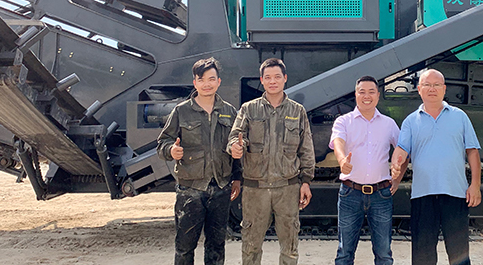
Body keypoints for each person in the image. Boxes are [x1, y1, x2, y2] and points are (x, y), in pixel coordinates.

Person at [228, 58, 316, 265]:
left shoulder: (297, 111)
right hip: (255, 190)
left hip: (287, 188)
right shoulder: (249, 109)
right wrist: (235, 147)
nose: (272, 81)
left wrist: (306, 181)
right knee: (251, 246)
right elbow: (235, 136)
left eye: (277, 77)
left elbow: (306, 148)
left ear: (285, 78)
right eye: (267, 77)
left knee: (290, 248)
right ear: (261, 80)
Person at [391, 69, 482, 265]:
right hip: (422, 194)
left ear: (444, 88)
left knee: (459, 253)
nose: (432, 89)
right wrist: (396, 167)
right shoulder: (410, 121)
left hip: (456, 193)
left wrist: (475, 185)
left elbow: (472, 151)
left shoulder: (459, 116)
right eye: (427, 85)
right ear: (419, 89)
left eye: (436, 85)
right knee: (422, 255)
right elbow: (402, 149)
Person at [157, 57, 241, 265]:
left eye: (211, 79)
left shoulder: (229, 112)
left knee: (216, 246)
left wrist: (238, 178)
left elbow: (236, 147)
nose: (206, 84)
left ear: (218, 81)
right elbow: (163, 143)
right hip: (190, 189)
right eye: (201, 79)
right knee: (184, 247)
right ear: (195, 83)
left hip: (220, 188)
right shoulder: (181, 111)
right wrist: (171, 150)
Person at [330, 75, 402, 265]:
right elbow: (338, 142)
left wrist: (397, 177)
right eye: (362, 92)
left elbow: (402, 150)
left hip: (381, 195)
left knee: (384, 253)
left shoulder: (389, 124)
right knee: (344, 253)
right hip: (350, 193)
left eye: (371, 92)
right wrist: (342, 159)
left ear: (378, 95)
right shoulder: (343, 121)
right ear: (356, 94)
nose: (366, 96)